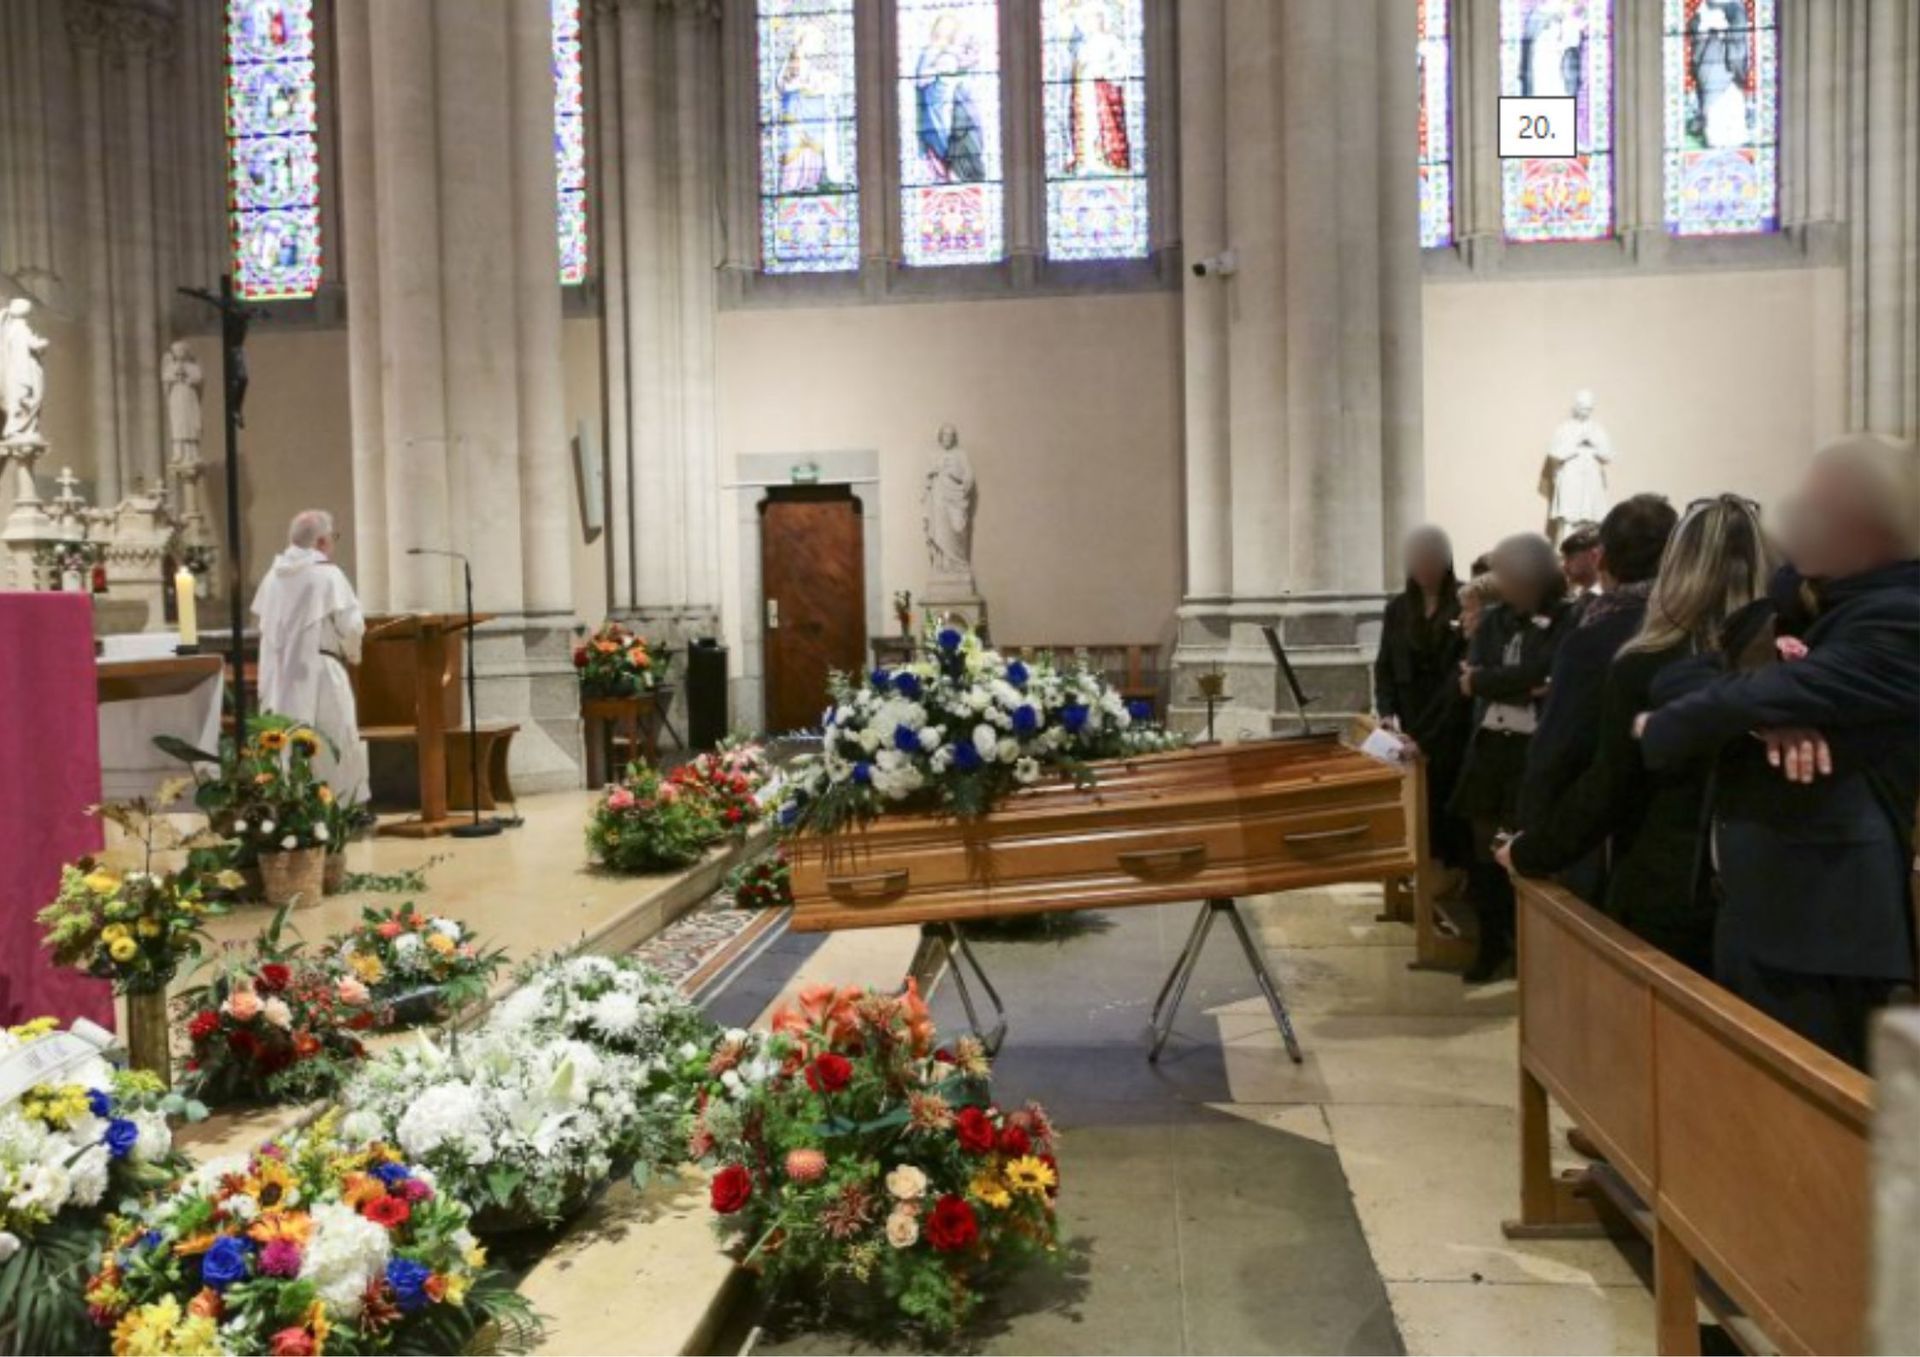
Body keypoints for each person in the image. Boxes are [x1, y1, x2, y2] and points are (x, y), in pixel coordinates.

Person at [1638, 435, 1920, 1070]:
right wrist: (1770, 715)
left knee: (1818, 1130)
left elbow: (1716, 702)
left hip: (1828, 928)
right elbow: (1680, 677)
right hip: (1758, 905)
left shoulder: (1901, 612)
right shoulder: (1805, 597)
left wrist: (1763, 699)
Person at [1501, 496, 1774, 974]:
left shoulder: (1648, 658)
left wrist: (1531, 848)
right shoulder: (1794, 658)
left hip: (1669, 887)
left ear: (1677, 563)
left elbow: (1610, 782)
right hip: (1769, 889)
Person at [1519, 496, 1679, 900]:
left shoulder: (1596, 638)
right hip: (1674, 834)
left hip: (1599, 835)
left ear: (1602, 558)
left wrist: (1533, 836)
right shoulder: (1691, 624)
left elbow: (1561, 745)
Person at [1451, 534, 1574, 982]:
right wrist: (1506, 681)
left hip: (1533, 747)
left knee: (1523, 845)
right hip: (1491, 745)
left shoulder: (1566, 618)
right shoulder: (1496, 621)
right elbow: (1471, 678)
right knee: (1484, 852)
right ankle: (1491, 942)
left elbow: (1548, 676)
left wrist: (1494, 680)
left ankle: (1532, 949)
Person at [252, 509, 370, 804]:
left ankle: (291, 807)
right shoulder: (328, 575)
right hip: (322, 671)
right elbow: (352, 625)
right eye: (333, 538)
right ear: (320, 542)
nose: (333, 544)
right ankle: (339, 810)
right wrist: (353, 653)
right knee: (334, 738)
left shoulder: (272, 578)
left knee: (286, 740)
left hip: (279, 677)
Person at [1374, 527, 1467, 871]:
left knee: (1447, 804)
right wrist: (1386, 713)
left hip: (1449, 723)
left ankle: (1450, 876)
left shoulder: (1463, 601)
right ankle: (1424, 870)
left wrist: (1428, 736)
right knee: (1417, 804)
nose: (1423, 568)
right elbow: (1384, 665)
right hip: (1409, 716)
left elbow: (1460, 675)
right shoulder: (1398, 608)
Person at [1558, 525, 1603, 605]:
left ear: (1594, 556)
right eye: (1564, 559)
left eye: (1571, 558)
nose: (1564, 566)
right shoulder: (1577, 596)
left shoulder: (1603, 600)